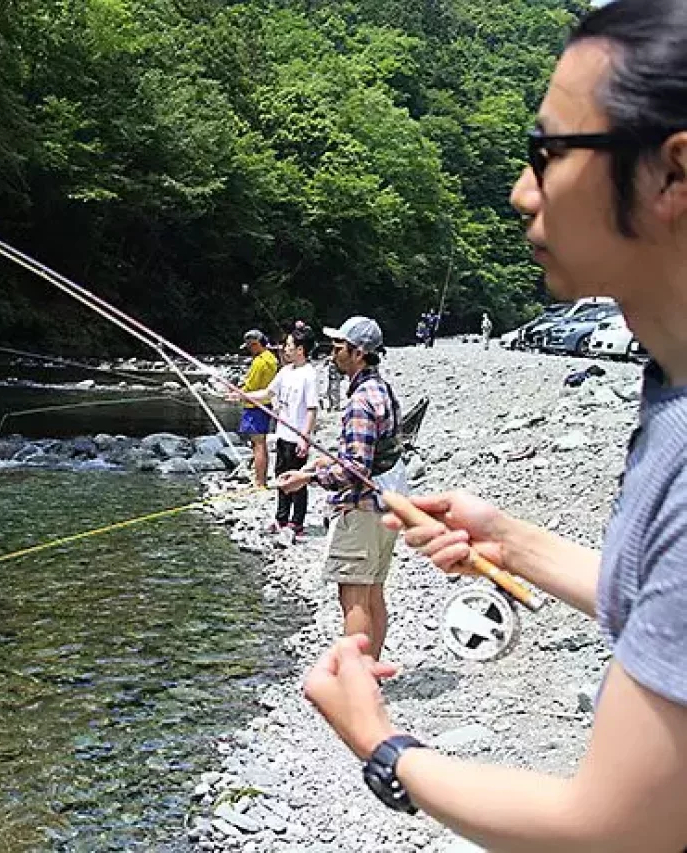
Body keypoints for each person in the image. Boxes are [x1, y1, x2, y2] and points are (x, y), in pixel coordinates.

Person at [301, 3, 687, 848]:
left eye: (548, 155)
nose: (521, 192)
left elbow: (618, 828)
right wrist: (513, 543)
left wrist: (384, 747)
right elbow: (670, 604)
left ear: (672, 174)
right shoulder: (671, 393)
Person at [275, 316, 403, 661]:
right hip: (387, 505)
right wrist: (322, 463)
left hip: (363, 508)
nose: (332, 352)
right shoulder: (382, 388)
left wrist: (307, 478)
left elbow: (356, 469)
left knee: (353, 596)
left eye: (338, 346)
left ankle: (356, 679)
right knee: (373, 591)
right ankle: (369, 673)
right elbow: (375, 452)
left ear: (358, 352)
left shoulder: (361, 399)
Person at [248, 327, 320, 535]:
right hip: (282, 435)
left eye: (289, 346)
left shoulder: (309, 375)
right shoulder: (285, 371)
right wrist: (244, 396)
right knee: (281, 476)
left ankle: (297, 523)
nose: (285, 349)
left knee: (297, 480)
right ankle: (281, 519)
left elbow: (311, 409)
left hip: (297, 437)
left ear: (300, 349)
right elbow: (268, 393)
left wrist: (304, 438)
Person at [234, 329, 278, 487]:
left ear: (256, 344)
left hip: (255, 406)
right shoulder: (271, 358)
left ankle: (260, 482)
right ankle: (261, 480)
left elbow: (251, 386)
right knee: (260, 443)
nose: (249, 350)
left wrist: (236, 393)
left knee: (258, 444)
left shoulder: (260, 361)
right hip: (264, 404)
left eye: (250, 347)